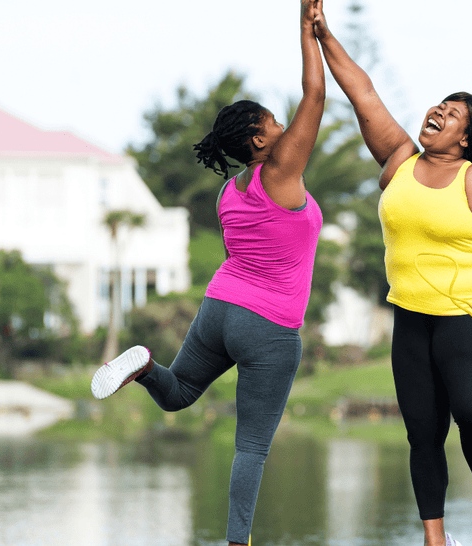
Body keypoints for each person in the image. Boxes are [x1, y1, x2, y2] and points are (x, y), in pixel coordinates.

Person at [89, 2, 325, 545]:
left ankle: (146, 366)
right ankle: (237, 542)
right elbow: (316, 96)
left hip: (220, 308)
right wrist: (306, 35)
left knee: (177, 393)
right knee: (252, 447)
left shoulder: (230, 191)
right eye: (275, 123)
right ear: (261, 142)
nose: (286, 127)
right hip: (268, 327)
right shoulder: (281, 174)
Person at [311, 3, 472, 546]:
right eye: (439, 104)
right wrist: (321, 31)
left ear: (466, 137)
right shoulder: (398, 162)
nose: (438, 110)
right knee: (422, 433)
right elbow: (362, 93)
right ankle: (435, 537)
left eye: (452, 112)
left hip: (468, 315)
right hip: (410, 316)